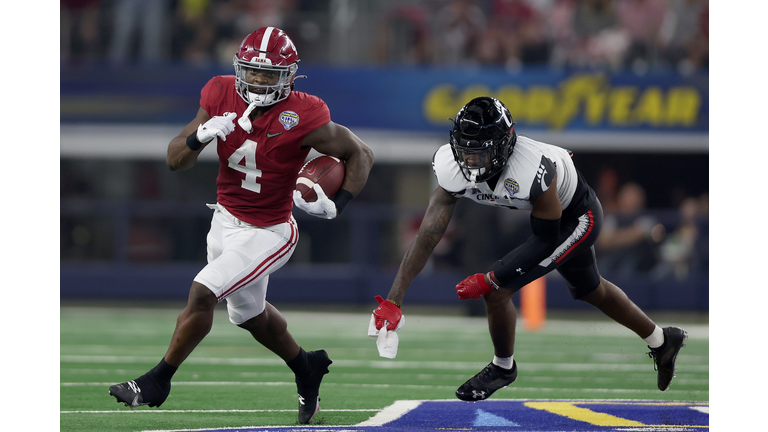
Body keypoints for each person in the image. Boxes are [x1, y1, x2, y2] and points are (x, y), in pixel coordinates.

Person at [108, 27, 374, 424]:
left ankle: (158, 380)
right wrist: (200, 136)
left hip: (270, 230)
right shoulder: (218, 93)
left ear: (289, 76)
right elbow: (174, 159)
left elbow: (361, 153)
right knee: (248, 315)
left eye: (269, 75)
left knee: (203, 292)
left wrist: (337, 205)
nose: (259, 81)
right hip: (224, 220)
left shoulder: (305, 113)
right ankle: (306, 366)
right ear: (238, 69)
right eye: (252, 72)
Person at [372, 96, 685, 402]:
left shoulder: (531, 170)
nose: (469, 160)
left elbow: (546, 240)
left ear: (503, 146)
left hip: (576, 216)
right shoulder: (449, 165)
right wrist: (393, 299)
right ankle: (662, 341)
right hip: (547, 220)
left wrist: (491, 278)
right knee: (591, 290)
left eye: (480, 152)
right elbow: (428, 234)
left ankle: (502, 367)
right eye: (465, 151)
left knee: (497, 289)